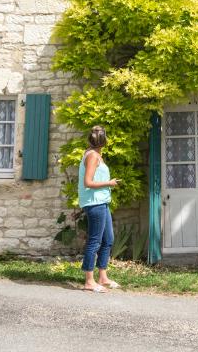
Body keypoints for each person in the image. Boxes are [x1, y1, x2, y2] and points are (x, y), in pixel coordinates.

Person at [78, 125, 120, 293]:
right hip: (94, 203)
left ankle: (103, 277)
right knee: (94, 241)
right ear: (104, 141)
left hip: (102, 201)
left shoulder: (94, 154)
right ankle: (89, 280)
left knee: (108, 239)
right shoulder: (92, 156)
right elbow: (87, 182)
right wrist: (109, 183)